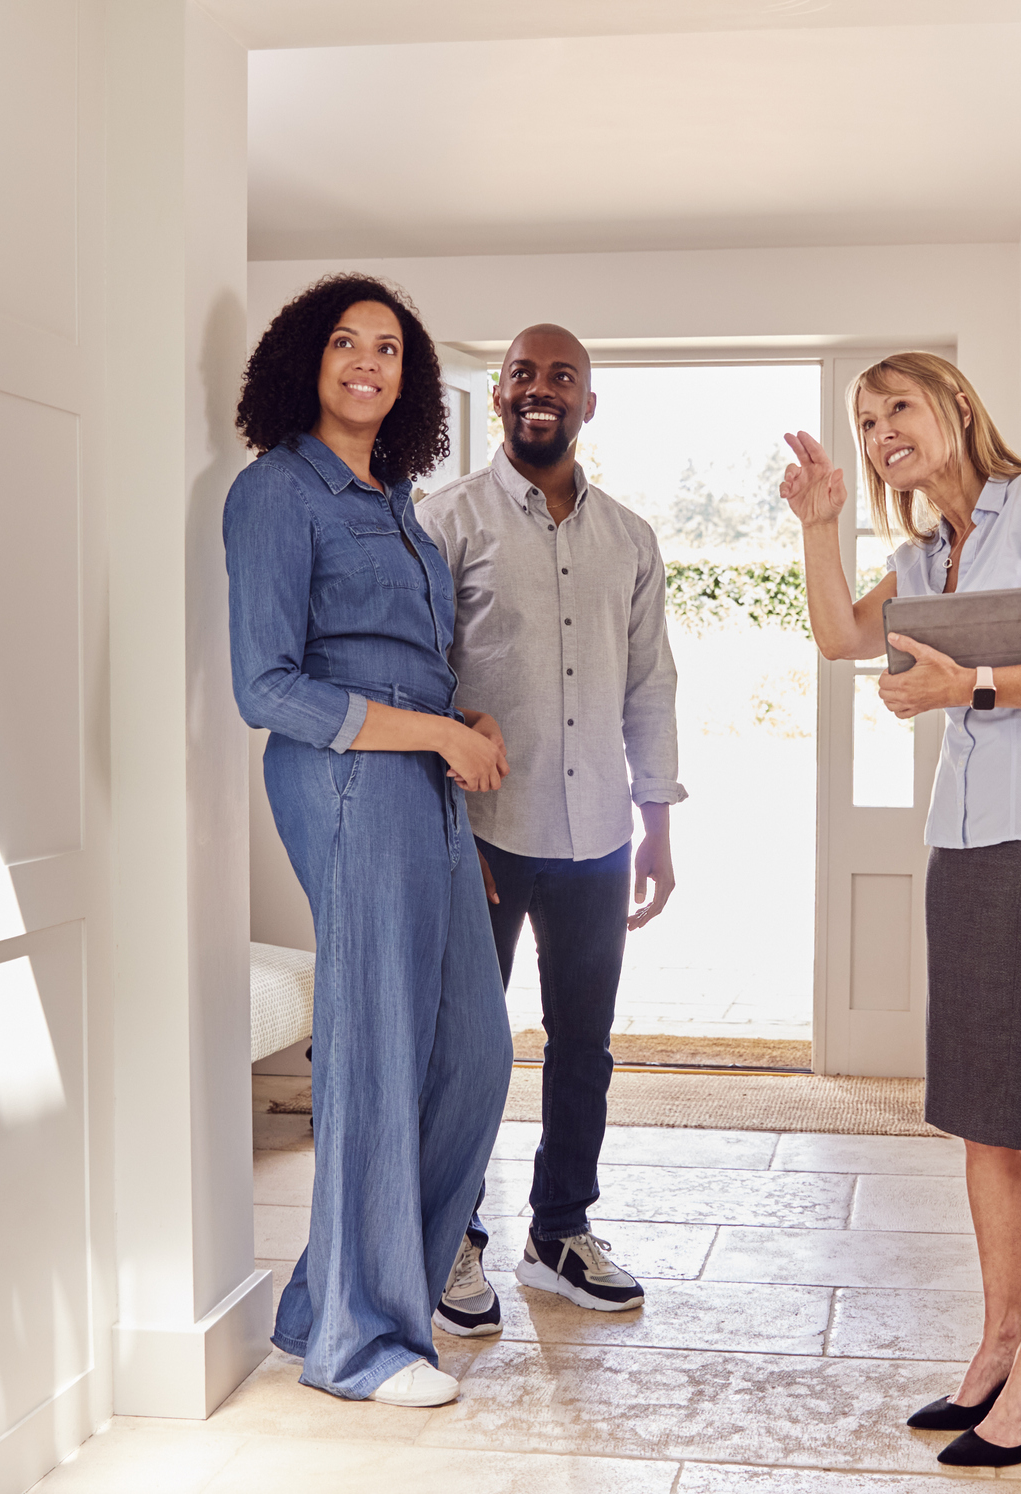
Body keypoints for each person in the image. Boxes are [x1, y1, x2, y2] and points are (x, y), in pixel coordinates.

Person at [779, 351, 1021, 1467]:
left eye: (899, 406)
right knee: (984, 1114)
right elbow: (842, 636)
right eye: (864, 416)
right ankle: (998, 1346)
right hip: (967, 846)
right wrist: (819, 523)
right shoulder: (925, 555)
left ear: (956, 410)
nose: (882, 426)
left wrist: (966, 687)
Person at [223, 274, 514, 1408]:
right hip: (346, 783)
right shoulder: (275, 492)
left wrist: (463, 723)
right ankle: (362, 1344)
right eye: (346, 343)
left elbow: (414, 658)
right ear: (306, 360)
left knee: (475, 1055)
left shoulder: (395, 498)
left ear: (411, 379)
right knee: (375, 1051)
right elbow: (268, 686)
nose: (367, 363)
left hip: (426, 789)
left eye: (388, 349)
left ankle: (322, 1306)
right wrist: (436, 730)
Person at [415, 323, 685, 1335]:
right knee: (467, 1050)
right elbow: (421, 682)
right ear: (496, 398)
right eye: (523, 374)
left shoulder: (631, 540)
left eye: (561, 377)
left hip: (596, 836)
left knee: (585, 1047)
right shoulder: (447, 523)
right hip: (480, 837)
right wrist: (449, 825)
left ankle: (559, 1234)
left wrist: (656, 825)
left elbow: (651, 686)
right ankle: (451, 1238)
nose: (541, 389)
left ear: (587, 403)